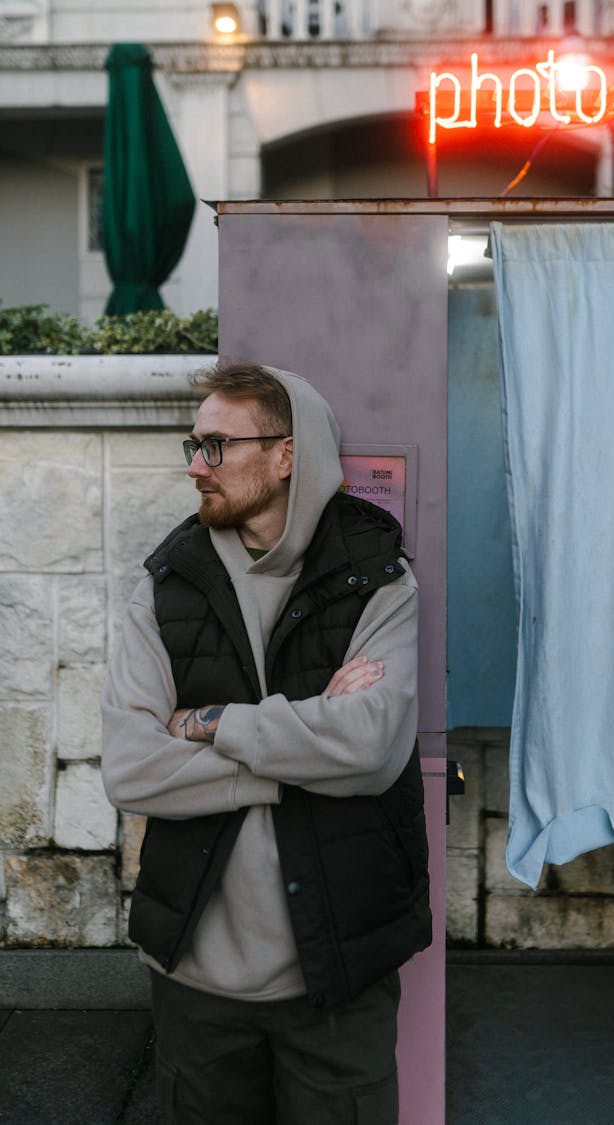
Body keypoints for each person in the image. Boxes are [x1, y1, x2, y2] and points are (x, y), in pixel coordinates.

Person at [101, 361, 431, 1125]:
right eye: (195, 443)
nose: (195, 465)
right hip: (195, 982)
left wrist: (213, 724)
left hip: (341, 970)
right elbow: (131, 766)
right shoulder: (165, 586)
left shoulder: (376, 579)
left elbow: (374, 748)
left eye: (217, 446)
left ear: (288, 455)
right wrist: (303, 750)